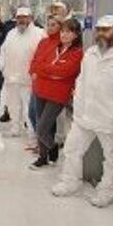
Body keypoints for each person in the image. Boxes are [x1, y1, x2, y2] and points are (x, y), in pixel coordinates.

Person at [50, 14, 113, 207]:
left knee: (111, 158)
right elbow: (82, 80)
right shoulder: (92, 52)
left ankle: (107, 192)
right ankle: (70, 182)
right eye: (99, 30)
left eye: (106, 29)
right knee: (72, 149)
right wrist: (78, 103)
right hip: (85, 114)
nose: (101, 33)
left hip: (111, 118)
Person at [29, 17, 83, 168]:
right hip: (40, 89)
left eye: (69, 32)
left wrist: (45, 70)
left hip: (58, 95)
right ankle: (43, 156)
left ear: (76, 34)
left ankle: (52, 147)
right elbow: (38, 64)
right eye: (63, 31)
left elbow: (65, 72)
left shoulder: (78, 53)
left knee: (41, 129)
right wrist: (50, 72)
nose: (64, 34)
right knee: (41, 125)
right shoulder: (52, 46)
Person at [0, 7, 44, 137]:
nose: (22, 20)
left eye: (25, 17)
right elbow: (3, 51)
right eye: (19, 17)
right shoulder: (11, 33)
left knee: (29, 108)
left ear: (31, 18)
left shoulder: (40, 33)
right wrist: (2, 67)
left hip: (28, 79)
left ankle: (32, 132)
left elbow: (43, 55)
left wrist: (37, 73)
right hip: (11, 77)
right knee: (13, 106)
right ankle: (15, 128)